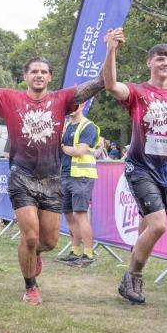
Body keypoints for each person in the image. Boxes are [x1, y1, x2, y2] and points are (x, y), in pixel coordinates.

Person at [0, 47, 105, 305]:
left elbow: (100, 83)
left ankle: (31, 255)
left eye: (43, 72)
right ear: (25, 77)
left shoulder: (62, 99)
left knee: (47, 241)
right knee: (29, 237)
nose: (39, 75)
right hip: (21, 176)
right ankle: (31, 288)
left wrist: (112, 48)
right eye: (34, 72)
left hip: (51, 179)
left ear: (50, 77)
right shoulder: (9, 99)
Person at [102, 29, 167, 304]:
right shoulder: (138, 92)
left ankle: (129, 281)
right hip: (140, 167)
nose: (166, 63)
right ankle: (133, 276)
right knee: (158, 226)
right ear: (150, 62)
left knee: (146, 225)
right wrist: (111, 50)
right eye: (160, 58)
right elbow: (111, 85)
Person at [56, 102, 99, 268]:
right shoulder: (67, 126)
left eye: (76, 104)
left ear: (82, 106)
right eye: (70, 104)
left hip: (82, 176)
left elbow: (80, 151)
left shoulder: (88, 126)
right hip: (66, 174)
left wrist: (62, 147)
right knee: (69, 215)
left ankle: (88, 254)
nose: (72, 107)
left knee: (80, 215)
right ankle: (75, 251)